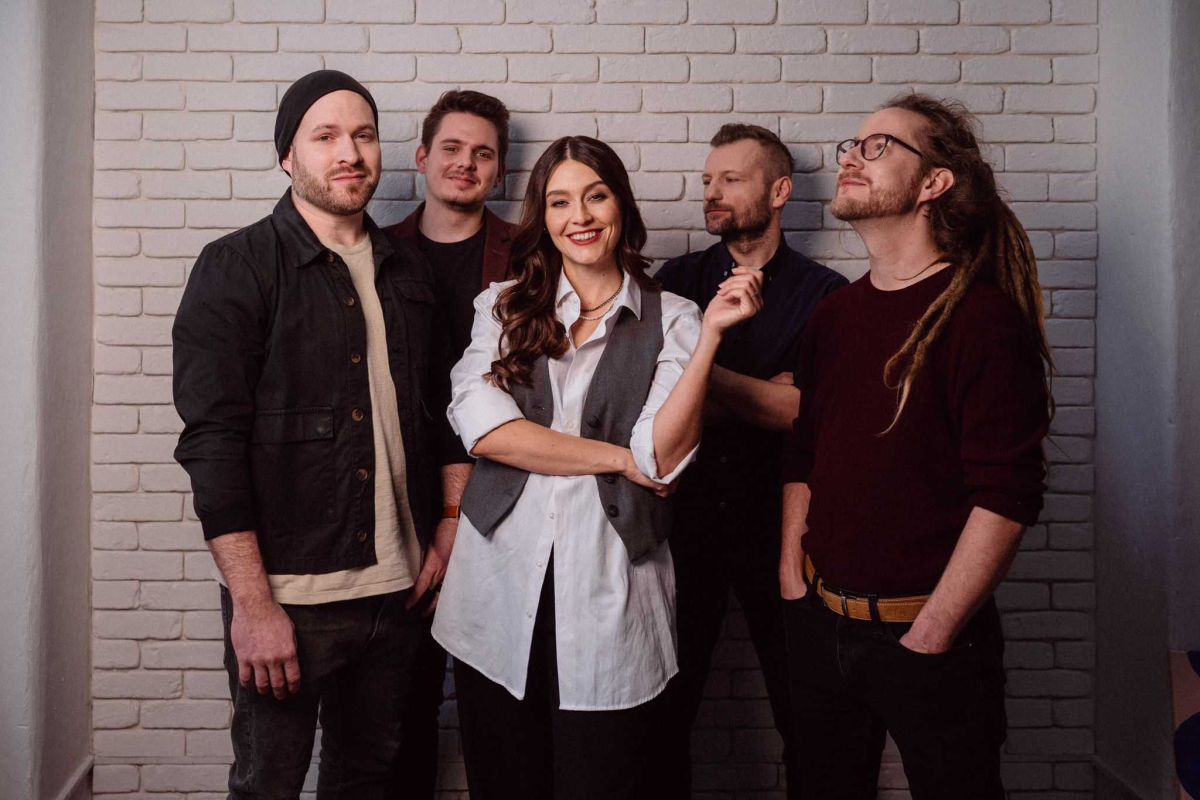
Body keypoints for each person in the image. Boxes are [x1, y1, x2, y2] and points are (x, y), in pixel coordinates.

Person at [430, 135, 763, 799]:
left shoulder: (676, 318)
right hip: (497, 594)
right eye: (559, 202)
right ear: (543, 216)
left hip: (612, 598)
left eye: (595, 196)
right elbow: (486, 430)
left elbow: (662, 459)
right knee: (505, 785)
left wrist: (709, 342)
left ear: (621, 206)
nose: (578, 216)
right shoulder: (500, 306)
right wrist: (616, 459)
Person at [171, 70, 454, 799]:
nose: (350, 153)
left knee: (367, 781)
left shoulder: (409, 269)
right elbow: (212, 443)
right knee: (267, 785)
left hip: (399, 594)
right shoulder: (237, 266)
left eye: (364, 135)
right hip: (289, 598)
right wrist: (253, 605)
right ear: (287, 156)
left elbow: (446, 412)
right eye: (325, 136)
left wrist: (447, 529)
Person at [780, 94, 1053, 799]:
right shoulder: (834, 316)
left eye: (878, 146)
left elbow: (1006, 496)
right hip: (822, 626)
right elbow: (804, 456)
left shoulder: (982, 318)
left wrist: (932, 634)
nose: (852, 156)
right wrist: (792, 579)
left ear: (934, 182)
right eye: (852, 144)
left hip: (933, 641)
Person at [653, 123, 847, 797]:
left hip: (784, 531)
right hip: (680, 529)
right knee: (663, 719)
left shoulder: (825, 295)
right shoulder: (675, 282)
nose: (712, 192)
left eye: (731, 180)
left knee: (806, 716)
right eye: (708, 180)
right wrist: (768, 392)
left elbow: (808, 417)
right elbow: (651, 406)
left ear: (779, 191)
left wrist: (700, 376)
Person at [383, 89, 516, 799]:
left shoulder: (531, 251)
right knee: (396, 715)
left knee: (499, 712)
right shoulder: (375, 252)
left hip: (503, 505)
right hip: (394, 507)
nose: (466, 163)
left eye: (483, 153)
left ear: (500, 171)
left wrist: (459, 515)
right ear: (422, 157)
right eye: (453, 148)